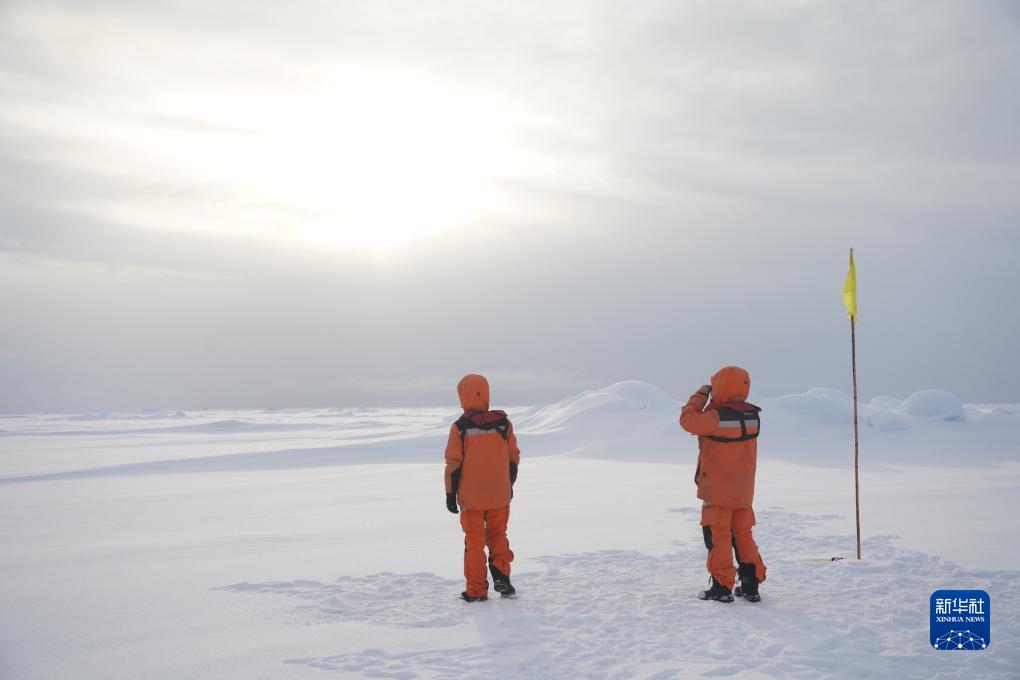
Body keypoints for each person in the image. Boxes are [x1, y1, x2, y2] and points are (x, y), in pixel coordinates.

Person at [679, 366, 767, 603]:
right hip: (743, 491)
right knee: (743, 536)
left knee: (718, 538)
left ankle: (721, 587)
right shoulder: (752, 416)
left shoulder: (717, 418)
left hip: (718, 492)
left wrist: (701, 395)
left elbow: (687, 420)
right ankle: (751, 585)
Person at [444, 374, 521, 602]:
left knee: (474, 542)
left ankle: (476, 590)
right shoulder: (503, 424)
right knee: (498, 534)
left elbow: (453, 464)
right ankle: (501, 576)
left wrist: (450, 494)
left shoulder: (460, 428)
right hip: (499, 494)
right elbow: (513, 458)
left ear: (463, 396)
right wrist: (508, 485)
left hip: (472, 498)